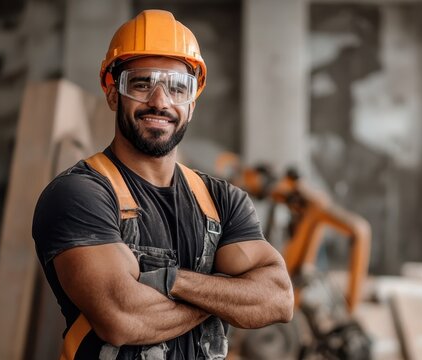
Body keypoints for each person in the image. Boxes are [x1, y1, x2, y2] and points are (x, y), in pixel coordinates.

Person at [32, 9, 294, 360]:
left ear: (192, 103)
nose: (160, 101)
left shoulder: (223, 201)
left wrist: (172, 281)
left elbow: (278, 298)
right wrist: (228, 295)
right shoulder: (79, 195)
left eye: (177, 87)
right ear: (112, 93)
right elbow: (122, 318)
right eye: (141, 84)